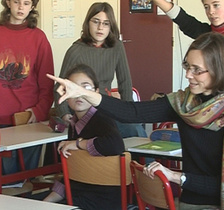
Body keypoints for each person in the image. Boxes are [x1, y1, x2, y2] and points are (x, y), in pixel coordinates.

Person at [48, 32, 224, 209]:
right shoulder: (184, 103)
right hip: (191, 201)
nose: (188, 75)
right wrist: (85, 93)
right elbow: (131, 112)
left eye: (197, 70)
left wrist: (176, 176)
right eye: (187, 66)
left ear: (220, 70)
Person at [54, 2, 147, 138]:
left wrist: (129, 112)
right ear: (88, 23)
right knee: (125, 132)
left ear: (111, 26)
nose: (100, 28)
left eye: (105, 23)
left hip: (106, 105)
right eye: (96, 22)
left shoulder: (117, 47)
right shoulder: (75, 50)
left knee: (135, 128)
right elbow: (59, 86)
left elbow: (125, 82)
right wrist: (64, 113)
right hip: (84, 108)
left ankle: (144, 159)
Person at [44, 64, 125, 210]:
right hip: (78, 194)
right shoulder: (75, 123)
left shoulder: (102, 117)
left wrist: (78, 144)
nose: (79, 94)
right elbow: (71, 173)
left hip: (102, 200)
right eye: (72, 88)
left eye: (85, 88)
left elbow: (116, 145)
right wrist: (45, 202)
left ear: (96, 93)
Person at [0, 0, 54, 175]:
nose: (21, 7)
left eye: (26, 2)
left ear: (32, 6)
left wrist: (39, 111)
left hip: (28, 120)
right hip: (1, 120)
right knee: (7, 184)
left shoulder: (39, 38)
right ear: (8, 3)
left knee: (27, 179)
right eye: (16, 1)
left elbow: (47, 84)